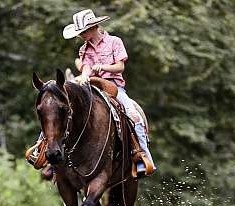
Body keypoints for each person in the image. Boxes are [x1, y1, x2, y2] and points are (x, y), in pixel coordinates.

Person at [28, 9, 156, 176]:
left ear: (93, 27)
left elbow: (120, 66)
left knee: (133, 115)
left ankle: (141, 155)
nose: (81, 35)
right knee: (56, 106)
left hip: (113, 86)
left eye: (83, 32)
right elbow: (86, 68)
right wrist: (85, 76)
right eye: (80, 32)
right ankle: (43, 148)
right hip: (90, 87)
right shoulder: (84, 50)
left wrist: (103, 67)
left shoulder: (114, 42)